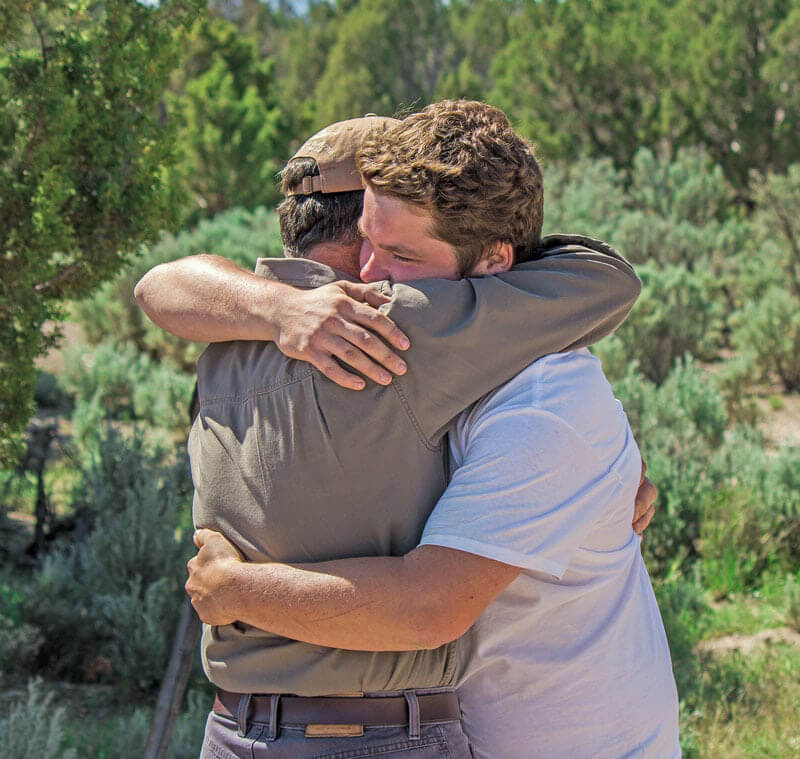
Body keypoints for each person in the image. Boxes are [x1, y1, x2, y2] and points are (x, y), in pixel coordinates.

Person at [137, 102, 669, 757]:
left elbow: (156, 286)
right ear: (362, 220)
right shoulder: (410, 325)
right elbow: (607, 278)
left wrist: (273, 304)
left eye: (397, 249)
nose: (370, 275)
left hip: (233, 729)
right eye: (374, 240)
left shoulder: (221, 339)